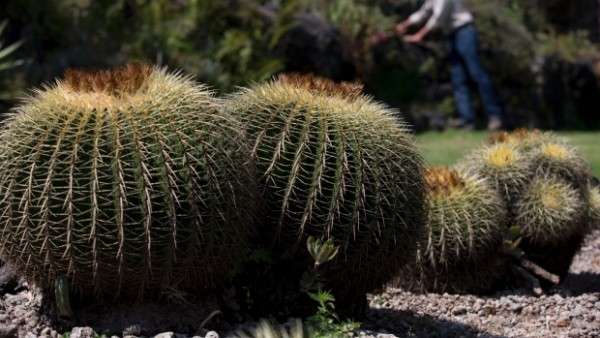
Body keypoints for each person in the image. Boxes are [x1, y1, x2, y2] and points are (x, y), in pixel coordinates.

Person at [395, 0, 503, 131]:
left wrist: (419, 35)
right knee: (458, 78)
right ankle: (467, 120)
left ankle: (494, 116)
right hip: (451, 35)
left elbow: (438, 17)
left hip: (465, 31)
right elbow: (423, 13)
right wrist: (405, 24)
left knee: (476, 73)